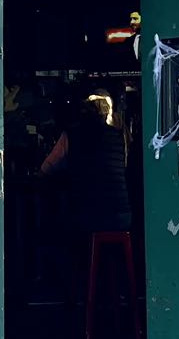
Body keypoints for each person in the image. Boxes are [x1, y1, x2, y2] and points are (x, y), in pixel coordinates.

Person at [40, 92, 132, 234]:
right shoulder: (120, 136)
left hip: (86, 215)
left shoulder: (71, 134)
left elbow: (46, 168)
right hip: (121, 216)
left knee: (58, 224)